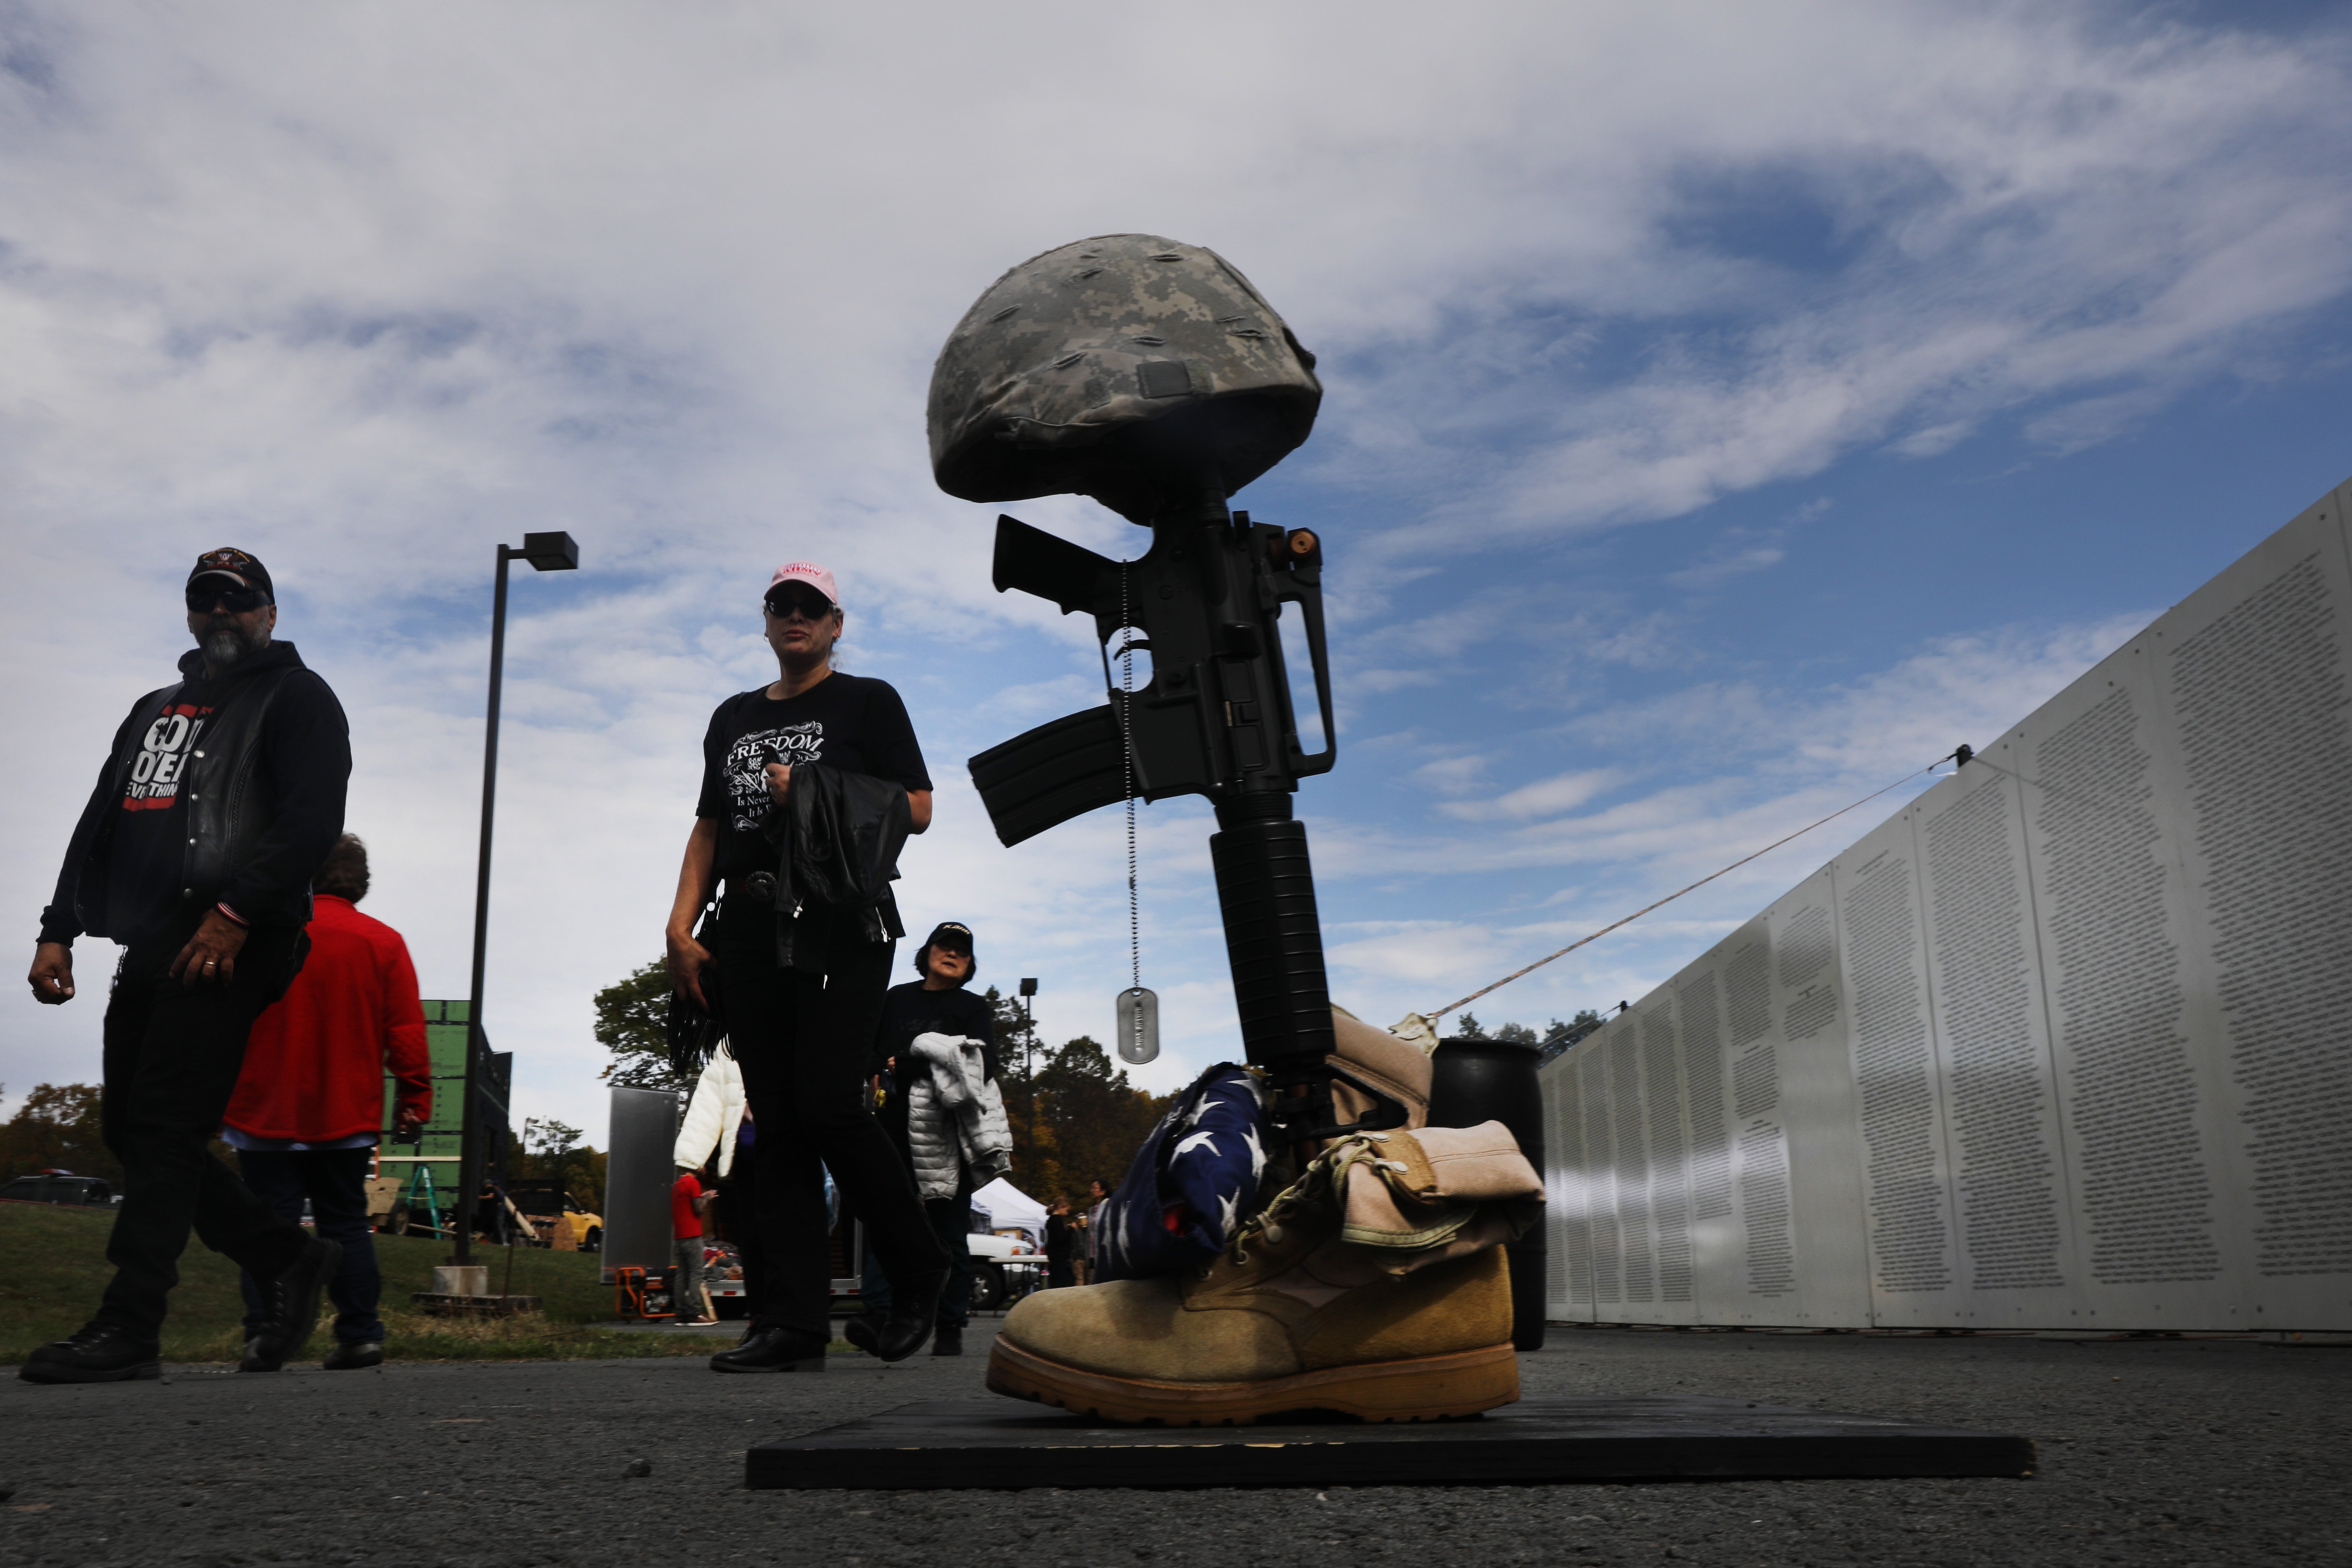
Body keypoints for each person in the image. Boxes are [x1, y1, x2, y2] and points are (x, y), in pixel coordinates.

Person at [24, 548, 351, 1385]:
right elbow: (100, 818)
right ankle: (285, 1256)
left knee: (165, 1125)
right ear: (189, 613)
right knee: (127, 1129)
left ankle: (130, 1325)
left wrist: (236, 912)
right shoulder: (155, 708)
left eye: (237, 603)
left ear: (270, 613)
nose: (220, 615)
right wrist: (58, 927)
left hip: (240, 933)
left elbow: (311, 824)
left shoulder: (298, 697)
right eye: (204, 601)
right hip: (154, 934)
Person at [664, 560, 948, 1372]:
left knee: (830, 1104)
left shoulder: (868, 702)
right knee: (777, 1124)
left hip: (838, 923)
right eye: (782, 606)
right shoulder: (733, 717)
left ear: (834, 625)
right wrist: (681, 930)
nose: (796, 617)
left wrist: (817, 789)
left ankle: (922, 1269)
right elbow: (709, 831)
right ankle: (792, 1324)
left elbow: (919, 809)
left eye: (811, 608)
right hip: (749, 927)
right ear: (767, 622)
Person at [219, 833, 429, 1372]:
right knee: (346, 1224)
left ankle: (265, 1335)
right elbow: (405, 1030)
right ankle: (360, 1335)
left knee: (270, 1225)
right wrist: (414, 1098)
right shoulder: (383, 943)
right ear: (360, 882)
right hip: (346, 1111)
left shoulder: (264, 934)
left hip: (266, 1107)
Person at [858, 920, 1007, 1357]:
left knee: (949, 1230)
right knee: (886, 1219)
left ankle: (950, 1325)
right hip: (891, 1122)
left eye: (963, 949)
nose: (953, 953)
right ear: (926, 953)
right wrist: (877, 1070)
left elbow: (984, 1065)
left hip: (946, 1130)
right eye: (946, 945)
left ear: (970, 963)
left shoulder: (973, 1006)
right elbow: (866, 1046)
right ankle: (879, 1315)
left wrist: (908, 1065)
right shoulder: (896, 999)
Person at [670, 1164, 717, 1325]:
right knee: (697, 1274)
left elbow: (689, 1204)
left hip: (680, 1238)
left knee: (682, 1275)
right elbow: (698, 1209)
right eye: (703, 1165)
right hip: (693, 1237)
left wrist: (701, 1197)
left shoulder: (678, 1185)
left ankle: (681, 1314)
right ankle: (695, 1314)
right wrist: (708, 1198)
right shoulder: (693, 1183)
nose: (705, 1168)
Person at [1044, 1198, 1076, 1289]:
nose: (1068, 1213)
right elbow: (1061, 1239)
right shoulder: (1057, 1221)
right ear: (1060, 1207)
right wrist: (1072, 1229)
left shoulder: (1051, 1220)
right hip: (1060, 1259)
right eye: (1067, 1210)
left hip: (1055, 1259)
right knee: (1063, 1286)